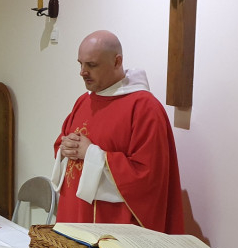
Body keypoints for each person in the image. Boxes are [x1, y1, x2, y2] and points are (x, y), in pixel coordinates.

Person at [51, 30, 184, 234]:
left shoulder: (144, 108)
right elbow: (62, 144)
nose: (82, 72)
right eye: (80, 64)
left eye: (91, 65)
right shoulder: (84, 101)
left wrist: (91, 154)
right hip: (74, 215)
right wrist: (65, 147)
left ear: (117, 61)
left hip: (112, 229)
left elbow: (149, 178)